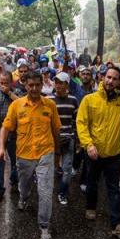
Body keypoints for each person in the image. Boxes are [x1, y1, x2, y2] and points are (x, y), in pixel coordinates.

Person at [76, 66, 120, 234]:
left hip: (114, 154)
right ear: (102, 77)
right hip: (93, 153)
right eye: (108, 77)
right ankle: (90, 206)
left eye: (115, 79)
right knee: (92, 183)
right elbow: (81, 123)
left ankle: (117, 222)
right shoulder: (89, 99)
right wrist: (88, 144)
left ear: (118, 81)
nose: (110, 81)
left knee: (113, 187)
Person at [0, 70, 61, 239]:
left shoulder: (50, 105)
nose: (34, 88)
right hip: (23, 156)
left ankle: (44, 225)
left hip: (45, 153)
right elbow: (6, 128)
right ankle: (24, 197)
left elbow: (56, 130)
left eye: (37, 85)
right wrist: (1, 147)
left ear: (42, 85)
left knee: (45, 191)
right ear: (25, 85)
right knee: (24, 186)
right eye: (30, 85)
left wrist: (58, 154)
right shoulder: (16, 106)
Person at [47, 72, 78, 205]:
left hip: (68, 139)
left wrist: (78, 141)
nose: (58, 85)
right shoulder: (48, 100)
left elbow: (76, 121)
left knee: (67, 170)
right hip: (52, 139)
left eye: (61, 83)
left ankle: (62, 193)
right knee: (48, 168)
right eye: (56, 82)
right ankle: (46, 191)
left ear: (67, 84)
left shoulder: (73, 100)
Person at [0, 71, 19, 202]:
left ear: (11, 82)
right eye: (1, 83)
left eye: (6, 83)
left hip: (14, 133)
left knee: (15, 161)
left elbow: (22, 104)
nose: (3, 86)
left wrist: (9, 93)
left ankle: (14, 181)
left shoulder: (17, 92)